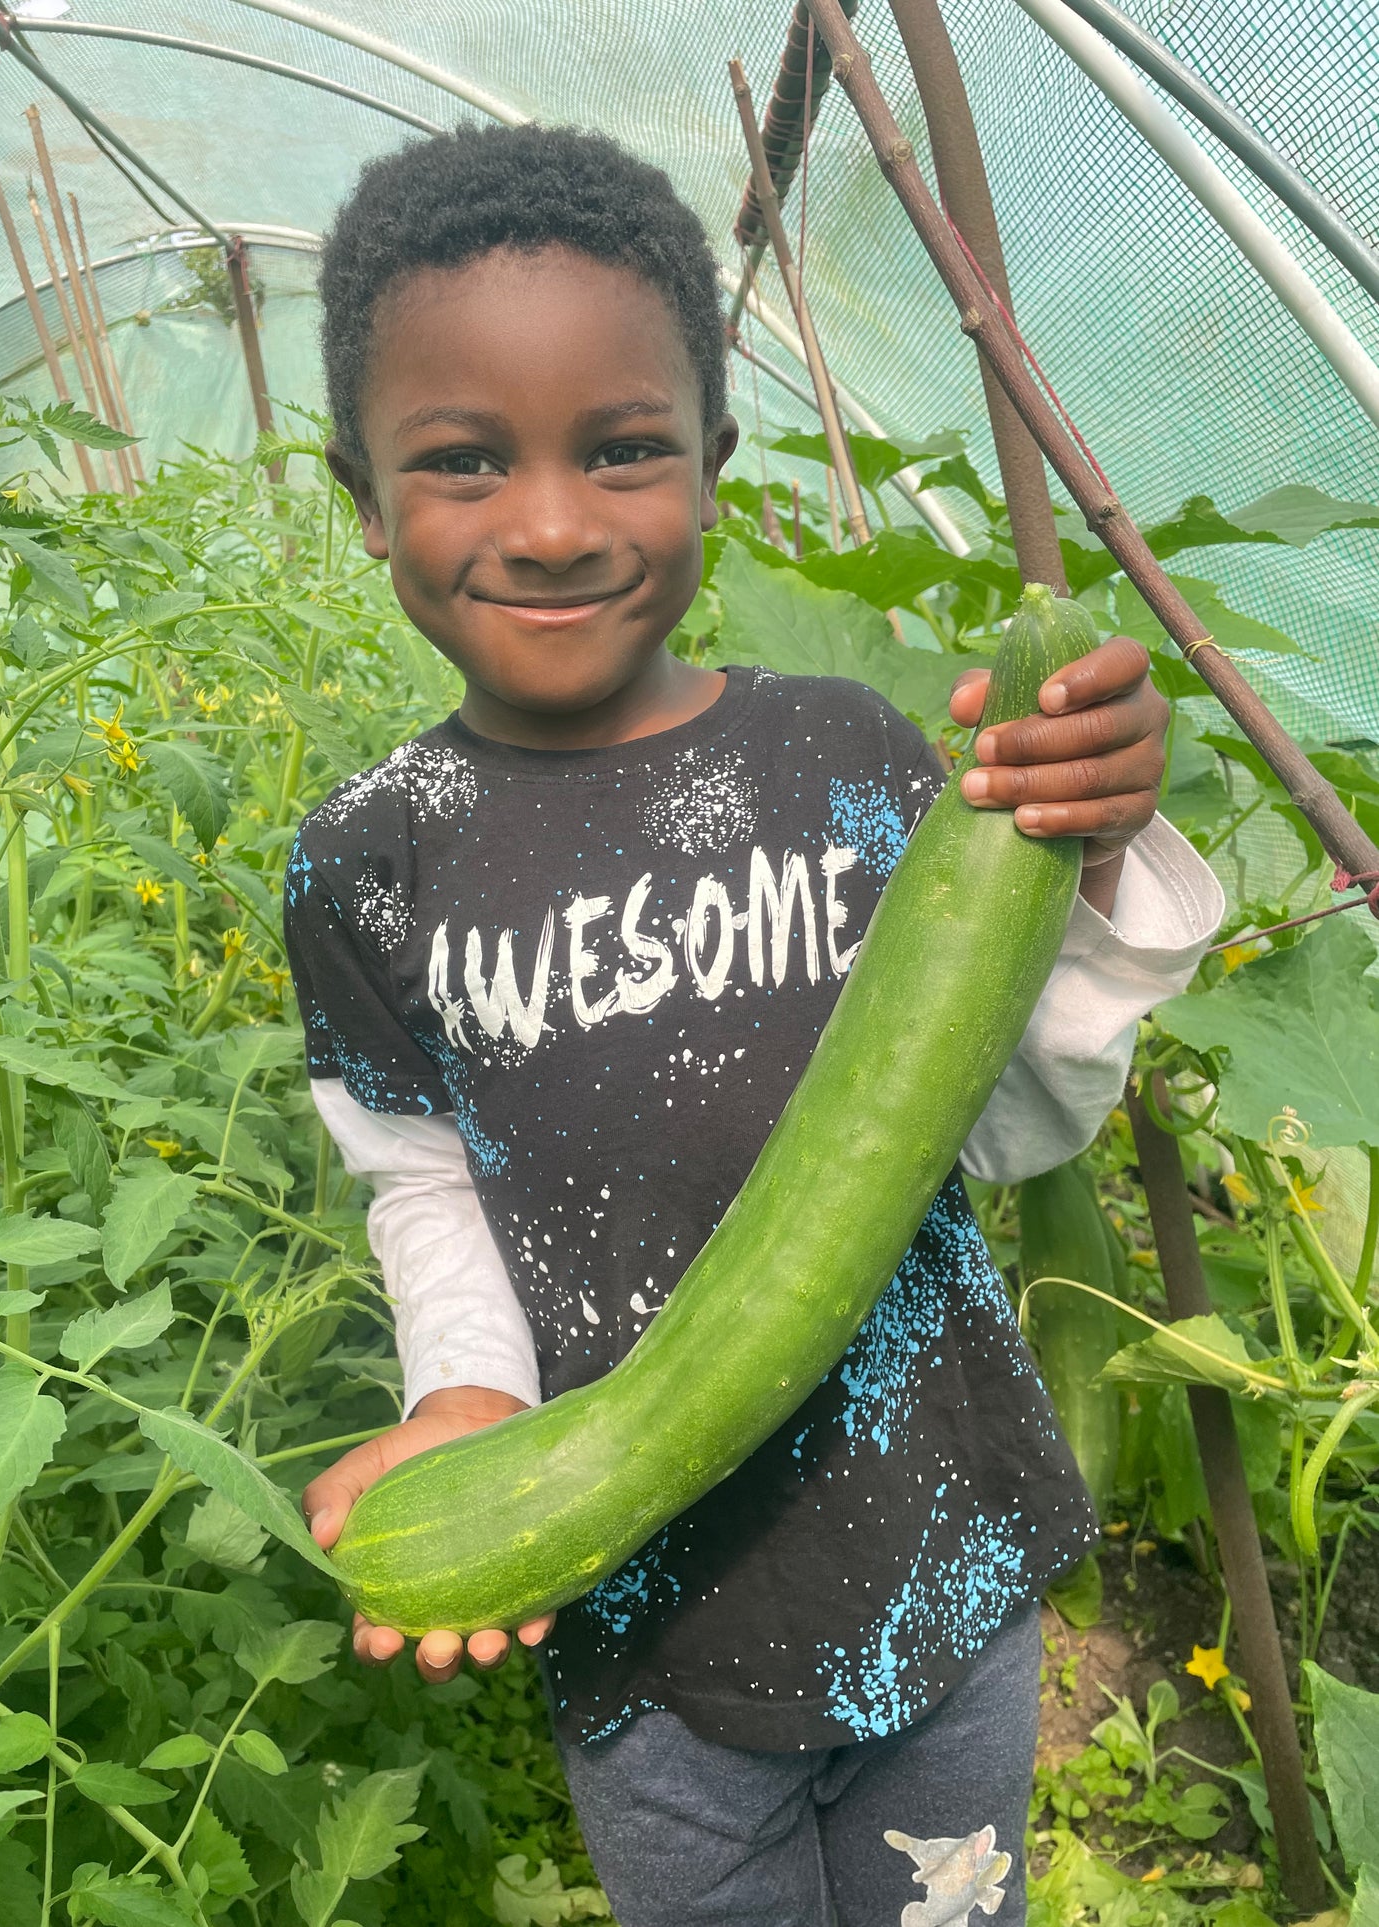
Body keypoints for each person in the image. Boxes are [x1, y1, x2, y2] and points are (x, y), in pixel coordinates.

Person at [288, 124, 1222, 1927]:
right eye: (463, 463)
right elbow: (420, 1176)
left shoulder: (857, 765)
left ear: (712, 464)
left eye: (623, 450)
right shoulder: (366, 862)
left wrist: (1092, 864)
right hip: (643, 1606)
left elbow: (999, 1116)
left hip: (931, 1554)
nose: (552, 524)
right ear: (365, 494)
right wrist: (467, 1392)